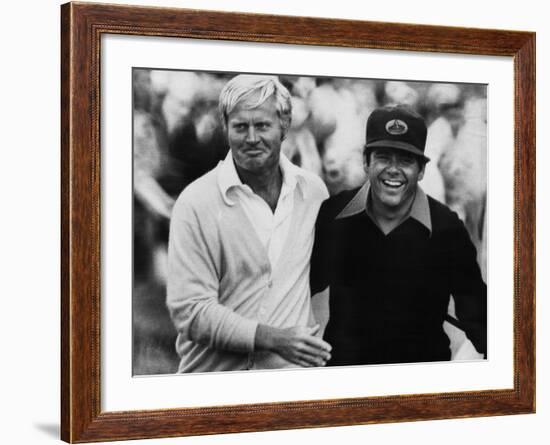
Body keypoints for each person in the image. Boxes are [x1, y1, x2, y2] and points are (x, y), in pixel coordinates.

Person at [167, 74, 331, 373]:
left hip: (292, 387)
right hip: (215, 385)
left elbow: (323, 284)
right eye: (241, 126)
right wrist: (272, 338)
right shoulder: (196, 203)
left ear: (284, 126)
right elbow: (189, 310)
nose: (252, 138)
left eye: (263, 125)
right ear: (225, 128)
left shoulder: (313, 192)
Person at [310, 105, 487, 366]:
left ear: (422, 170)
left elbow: (479, 316)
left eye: (405, 160)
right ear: (365, 161)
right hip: (347, 381)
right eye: (383, 157)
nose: (393, 169)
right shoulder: (334, 215)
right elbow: (301, 285)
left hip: (421, 384)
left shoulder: (447, 229)